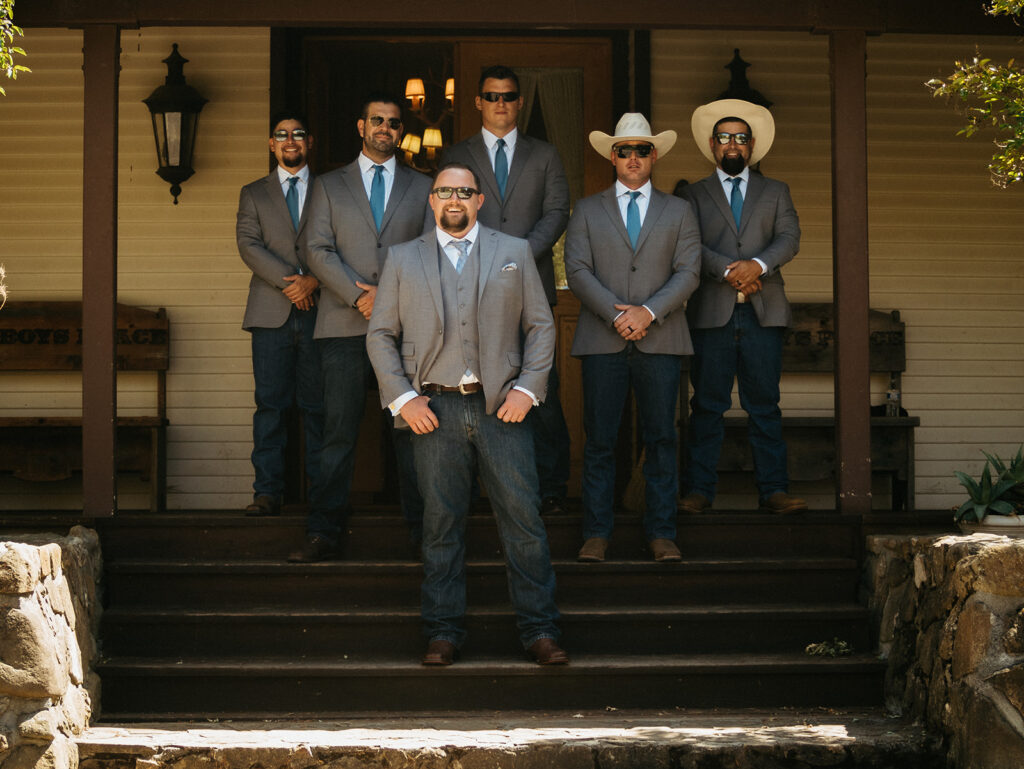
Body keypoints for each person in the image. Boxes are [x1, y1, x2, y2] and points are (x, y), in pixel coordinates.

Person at [366, 163, 567, 667]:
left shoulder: (514, 252)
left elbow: (541, 326)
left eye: (464, 191)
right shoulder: (402, 258)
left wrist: (527, 389)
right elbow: (380, 335)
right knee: (440, 523)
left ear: (479, 200)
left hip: (503, 408)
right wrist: (403, 399)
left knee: (523, 519)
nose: (453, 199)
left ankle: (540, 630)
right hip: (433, 408)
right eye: (444, 192)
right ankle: (442, 631)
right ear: (431, 201)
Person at [297, 93, 433, 562]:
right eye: (377, 120)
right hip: (341, 324)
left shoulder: (424, 187)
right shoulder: (329, 186)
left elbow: (433, 249)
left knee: (411, 431)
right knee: (337, 431)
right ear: (361, 126)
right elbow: (316, 249)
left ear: (401, 132)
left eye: (394, 123)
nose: (385, 129)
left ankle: (422, 534)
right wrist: (358, 295)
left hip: (406, 328)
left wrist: (389, 298)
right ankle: (324, 531)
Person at [564, 113, 701, 564]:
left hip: (660, 338)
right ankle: (596, 534)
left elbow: (689, 272)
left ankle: (662, 533)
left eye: (642, 149)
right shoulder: (586, 209)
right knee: (600, 440)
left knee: (662, 437)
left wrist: (648, 312)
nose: (634, 157)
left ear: (654, 155)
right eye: (625, 150)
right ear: (612, 156)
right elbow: (577, 270)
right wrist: (615, 314)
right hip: (603, 339)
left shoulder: (679, 211)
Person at [441, 64, 571, 516]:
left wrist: (514, 256)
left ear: (519, 102)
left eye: (509, 96)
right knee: (477, 388)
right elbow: (447, 212)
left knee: (541, 389)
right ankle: (484, 489)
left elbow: (556, 212)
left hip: (529, 285)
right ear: (478, 102)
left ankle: (553, 486)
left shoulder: (545, 154)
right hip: (469, 291)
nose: (500, 103)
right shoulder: (457, 153)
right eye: (491, 96)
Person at [680, 98, 806, 515]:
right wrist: (730, 270)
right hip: (712, 312)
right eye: (723, 138)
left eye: (739, 138)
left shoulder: (777, 192)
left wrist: (758, 266)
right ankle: (699, 491)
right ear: (712, 146)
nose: (731, 145)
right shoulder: (694, 195)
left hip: (763, 313)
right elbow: (688, 244)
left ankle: (774, 491)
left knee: (764, 405)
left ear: (751, 146)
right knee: (707, 406)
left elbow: (789, 239)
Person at [236, 110, 323, 517]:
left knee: (318, 407)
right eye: (282, 135)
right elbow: (249, 245)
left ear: (310, 142)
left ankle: (322, 494)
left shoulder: (330, 190)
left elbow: (342, 243)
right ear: (272, 144)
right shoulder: (254, 192)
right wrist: (294, 284)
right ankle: (267, 491)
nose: (291, 140)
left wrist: (315, 282)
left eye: (299, 133)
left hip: (323, 313)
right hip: (271, 313)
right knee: (270, 406)